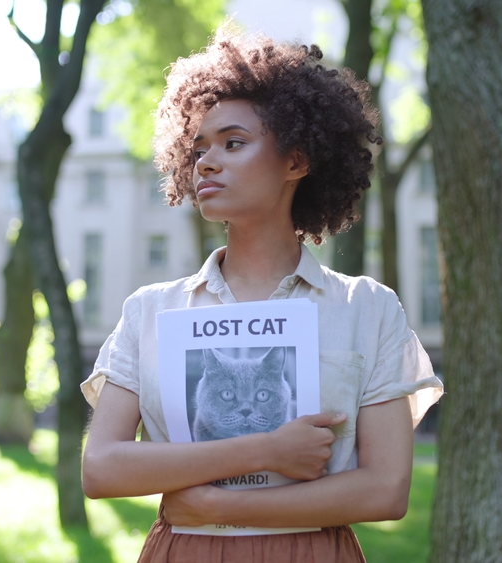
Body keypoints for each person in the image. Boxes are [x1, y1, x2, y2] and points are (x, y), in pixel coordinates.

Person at [80, 26, 443, 563]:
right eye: (198, 147)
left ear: (296, 162)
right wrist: (266, 451)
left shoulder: (367, 308)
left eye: (233, 142)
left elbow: (385, 491)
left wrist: (213, 506)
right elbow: (102, 468)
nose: (205, 161)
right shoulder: (149, 311)